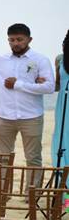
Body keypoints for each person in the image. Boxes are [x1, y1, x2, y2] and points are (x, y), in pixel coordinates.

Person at [0, 24, 55, 187]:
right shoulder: (1, 60)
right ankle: (3, 193)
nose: (15, 43)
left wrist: (19, 84)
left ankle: (32, 194)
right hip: (4, 116)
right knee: (3, 158)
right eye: (12, 40)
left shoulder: (40, 60)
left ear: (29, 39)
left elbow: (49, 87)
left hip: (32, 116)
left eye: (19, 39)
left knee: (33, 158)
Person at [50, 30, 69, 171]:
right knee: (63, 139)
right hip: (64, 104)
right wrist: (43, 82)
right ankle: (64, 184)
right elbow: (57, 85)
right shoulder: (60, 59)